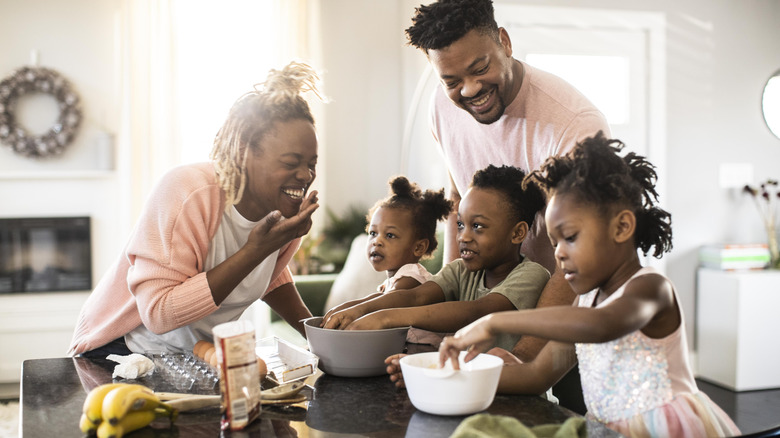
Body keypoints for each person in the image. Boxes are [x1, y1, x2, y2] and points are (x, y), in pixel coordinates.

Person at [436, 133, 741, 438]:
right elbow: (535, 375)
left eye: (570, 238)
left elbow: (602, 324)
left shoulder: (651, 289)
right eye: (554, 243)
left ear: (622, 227)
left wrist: (493, 321)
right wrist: (447, 375)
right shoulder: (584, 303)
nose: (559, 254)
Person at [405, 0, 611, 411]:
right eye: (451, 80)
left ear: (504, 41)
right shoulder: (441, 108)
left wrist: (524, 352)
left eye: (480, 69)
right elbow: (459, 206)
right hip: (500, 308)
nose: (468, 90)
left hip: (578, 306)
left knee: (575, 419)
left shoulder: (575, 124)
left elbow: (579, 255)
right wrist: (457, 311)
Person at [68, 61, 324, 357]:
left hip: (195, 357)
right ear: (243, 152)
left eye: (312, 164)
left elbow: (269, 277)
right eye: (291, 163)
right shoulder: (187, 191)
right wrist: (256, 251)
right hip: (121, 350)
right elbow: (158, 313)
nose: (305, 176)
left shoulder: (284, 212)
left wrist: (318, 335)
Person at [322, 165, 550, 355]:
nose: (463, 236)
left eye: (477, 226)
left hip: (514, 396)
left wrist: (386, 318)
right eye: (460, 224)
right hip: (465, 385)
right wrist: (356, 309)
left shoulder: (532, 275)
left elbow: (478, 311)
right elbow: (416, 296)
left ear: (518, 233)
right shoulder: (460, 270)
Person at [322, 175, 453, 345]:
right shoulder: (394, 280)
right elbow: (376, 299)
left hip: (424, 352)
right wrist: (346, 307)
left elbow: (388, 302)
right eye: (373, 233)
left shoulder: (412, 277)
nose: (377, 241)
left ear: (418, 247)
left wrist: (354, 310)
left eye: (390, 235)